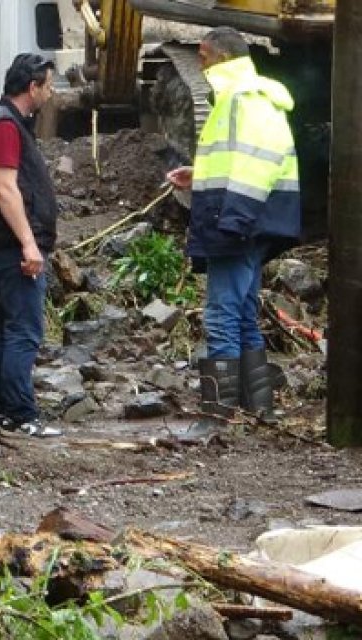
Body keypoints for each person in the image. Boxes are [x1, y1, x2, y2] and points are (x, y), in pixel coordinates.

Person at [164, 27, 300, 426]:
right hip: (250, 220)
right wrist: (200, 174)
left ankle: (216, 417)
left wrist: (234, 221)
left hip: (237, 221)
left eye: (203, 57)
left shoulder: (241, 98)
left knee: (221, 316)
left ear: (222, 57)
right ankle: (259, 410)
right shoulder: (250, 96)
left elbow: (258, 163)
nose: (200, 65)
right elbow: (244, 159)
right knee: (241, 314)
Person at [0, 53, 62, 438]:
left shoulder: (6, 122)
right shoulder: (5, 126)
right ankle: (23, 414)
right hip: (11, 247)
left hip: (2, 245)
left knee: (6, 327)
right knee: (24, 330)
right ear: (32, 87)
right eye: (48, 86)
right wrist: (29, 244)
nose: (51, 93)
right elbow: (5, 189)